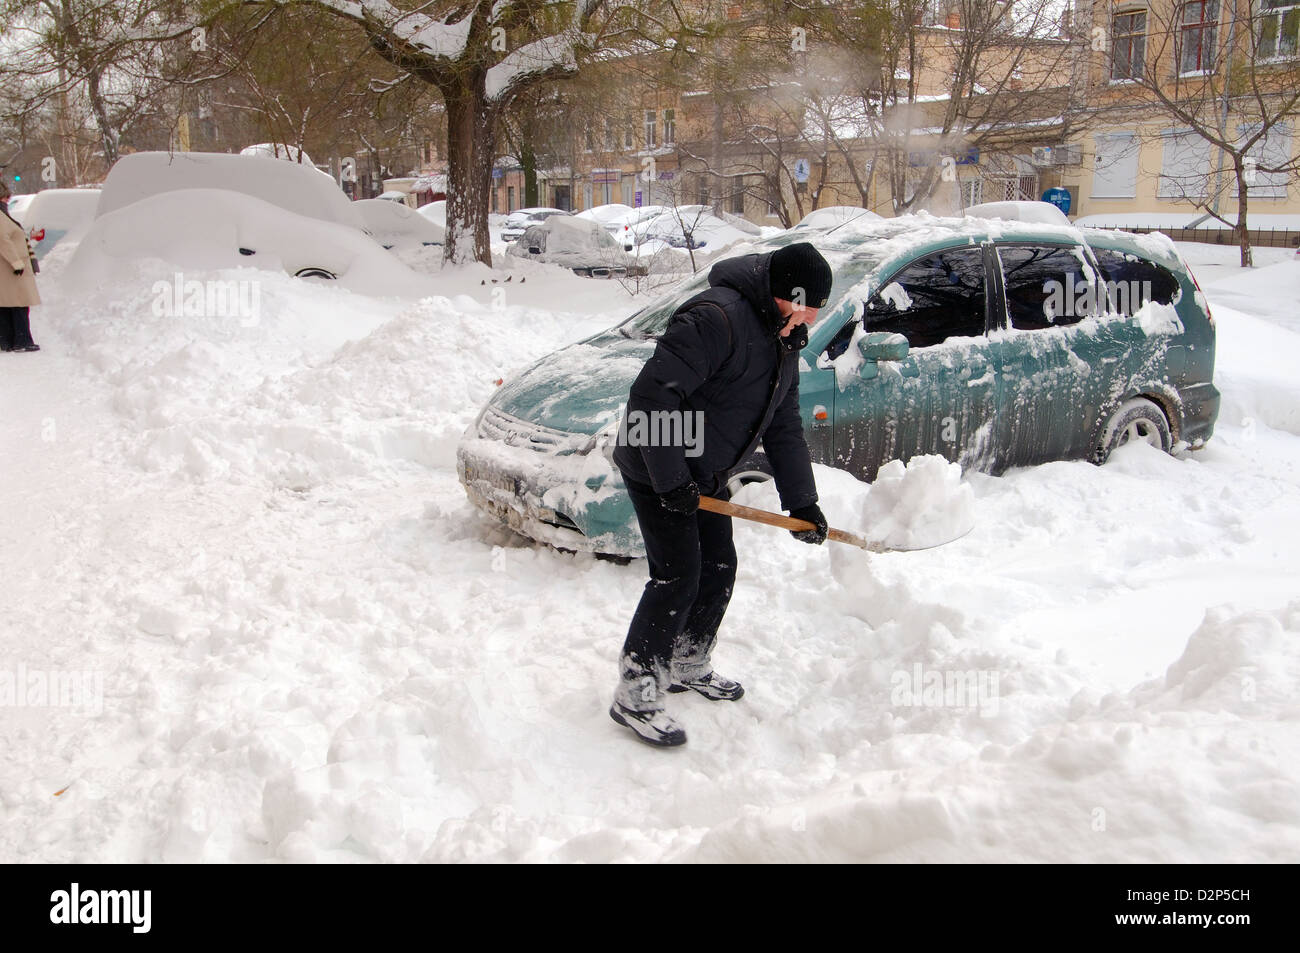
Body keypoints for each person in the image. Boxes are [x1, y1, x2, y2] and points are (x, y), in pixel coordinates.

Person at [609, 241, 834, 747]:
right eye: (811, 306)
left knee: (718, 567)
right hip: (655, 465)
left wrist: (802, 501)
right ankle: (637, 692)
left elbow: (783, 424)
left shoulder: (783, 336)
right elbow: (651, 399)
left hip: (705, 474)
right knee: (677, 576)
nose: (814, 317)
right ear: (787, 296)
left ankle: (687, 659)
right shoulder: (717, 318)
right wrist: (670, 482)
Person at [0, 181, 41, 353]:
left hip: (7, 268)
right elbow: (3, 239)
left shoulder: (3, 214)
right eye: (6, 195)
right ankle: (21, 340)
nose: (8, 199)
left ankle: (8, 341)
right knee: (18, 304)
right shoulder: (1, 215)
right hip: (10, 268)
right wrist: (16, 263)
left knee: (8, 305)